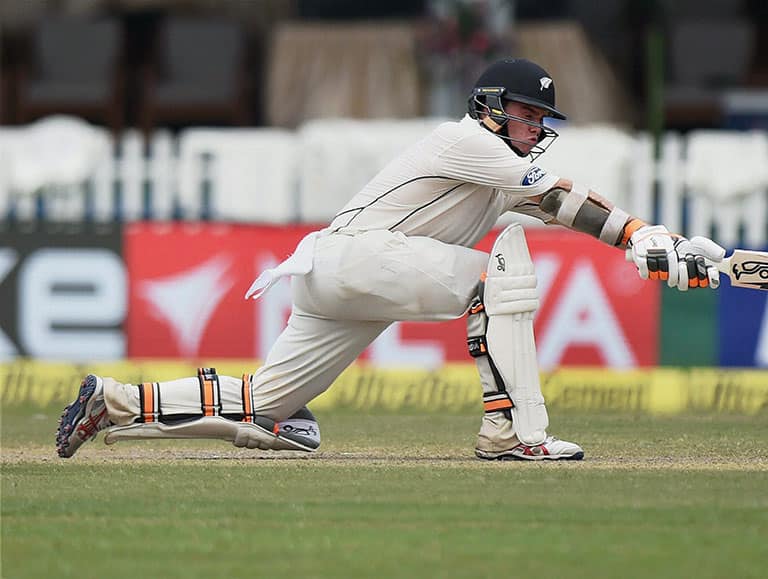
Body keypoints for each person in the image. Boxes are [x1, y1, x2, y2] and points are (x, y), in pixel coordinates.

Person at [56, 58, 725, 461]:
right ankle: (511, 430)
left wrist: (650, 240)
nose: (534, 129)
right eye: (525, 115)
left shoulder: (498, 174)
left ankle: (113, 400)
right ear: (490, 111)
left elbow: (566, 209)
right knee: (499, 278)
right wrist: (641, 232)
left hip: (332, 271)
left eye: (539, 120)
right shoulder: (463, 141)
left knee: (268, 403)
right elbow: (556, 194)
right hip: (359, 259)